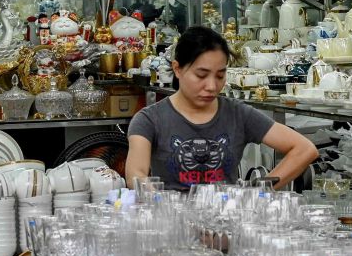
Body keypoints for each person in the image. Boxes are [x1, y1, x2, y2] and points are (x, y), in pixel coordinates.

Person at [127, 25, 318, 191]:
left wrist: (257, 191)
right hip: (173, 223)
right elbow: (136, 173)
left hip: (225, 222)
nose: (211, 86)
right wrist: (159, 201)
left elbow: (305, 149)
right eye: (201, 75)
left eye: (220, 76)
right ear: (177, 69)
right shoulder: (149, 119)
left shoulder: (238, 114)